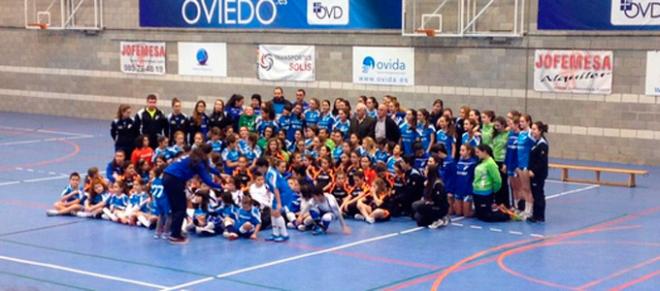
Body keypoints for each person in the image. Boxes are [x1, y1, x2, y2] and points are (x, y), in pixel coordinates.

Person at [163, 144, 222, 244]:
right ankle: (174, 236)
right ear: (207, 153)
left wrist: (219, 174)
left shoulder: (193, 156)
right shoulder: (198, 162)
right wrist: (221, 186)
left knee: (176, 208)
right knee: (180, 208)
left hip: (167, 176)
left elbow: (208, 168)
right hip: (175, 180)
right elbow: (207, 180)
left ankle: (174, 232)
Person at [472, 144, 511, 222]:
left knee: (487, 217)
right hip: (476, 191)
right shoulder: (480, 161)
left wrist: (493, 190)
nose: (477, 154)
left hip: (485, 192)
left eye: (478, 152)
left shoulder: (491, 163)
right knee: (479, 215)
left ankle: (505, 214)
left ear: (485, 152)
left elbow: (498, 180)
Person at [412, 164, 449, 228]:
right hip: (430, 204)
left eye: (426, 170)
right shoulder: (427, 182)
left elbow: (439, 199)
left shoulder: (437, 184)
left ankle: (438, 219)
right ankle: (432, 218)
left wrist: (430, 202)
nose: (424, 171)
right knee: (419, 219)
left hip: (439, 207)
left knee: (417, 205)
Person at [528, 121, 549, 223]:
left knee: (538, 194)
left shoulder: (542, 145)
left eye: (535, 129)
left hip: (538, 175)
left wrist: (534, 171)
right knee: (535, 193)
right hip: (533, 173)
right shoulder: (536, 142)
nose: (532, 131)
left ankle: (539, 216)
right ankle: (535, 214)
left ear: (540, 131)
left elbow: (541, 162)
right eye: (532, 129)